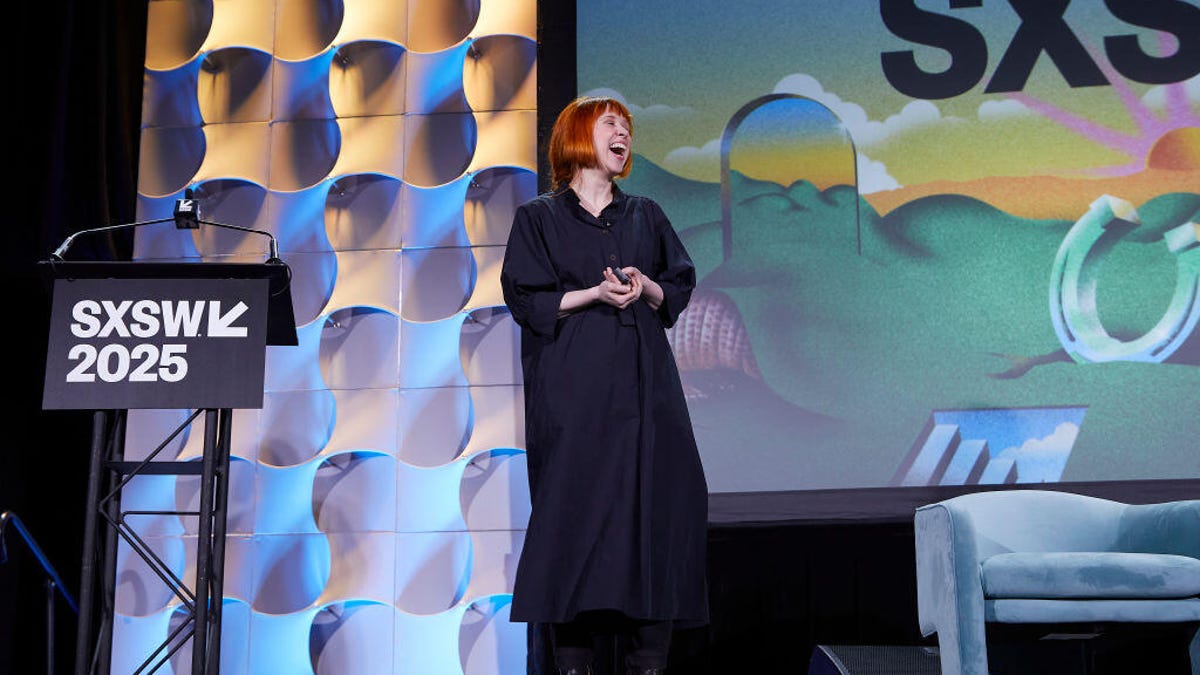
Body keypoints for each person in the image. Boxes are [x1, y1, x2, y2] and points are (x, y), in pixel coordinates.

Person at [500, 95, 709, 675]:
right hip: (574, 397)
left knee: (655, 510)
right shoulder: (538, 218)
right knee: (575, 520)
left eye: (627, 127)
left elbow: (680, 285)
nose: (623, 134)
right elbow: (526, 297)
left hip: (647, 399)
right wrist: (592, 294)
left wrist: (647, 287)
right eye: (610, 124)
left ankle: (649, 660)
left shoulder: (645, 213)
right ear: (577, 136)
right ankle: (572, 662)